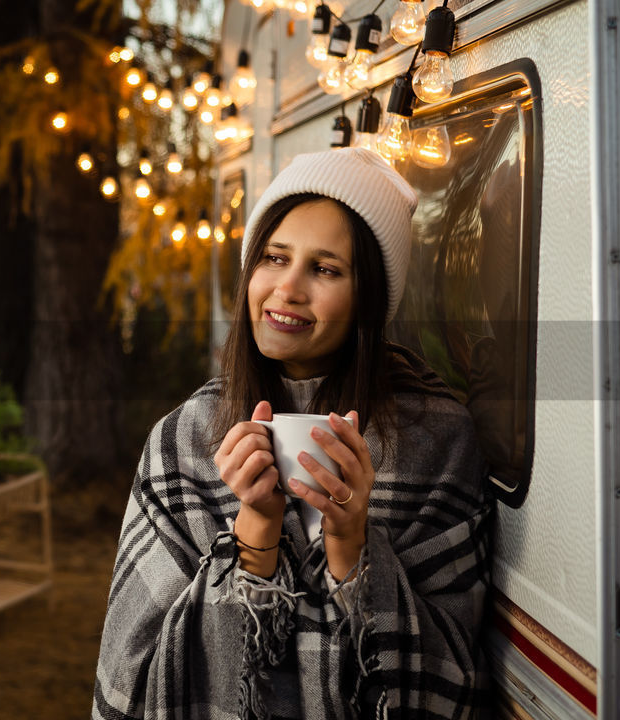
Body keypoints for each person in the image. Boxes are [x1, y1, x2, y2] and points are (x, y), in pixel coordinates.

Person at [92, 147, 492, 719]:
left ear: (369, 299)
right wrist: (255, 529)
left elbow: (451, 682)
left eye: (325, 269)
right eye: (275, 258)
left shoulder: (437, 438)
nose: (288, 289)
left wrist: (352, 543)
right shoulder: (183, 438)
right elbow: (133, 673)